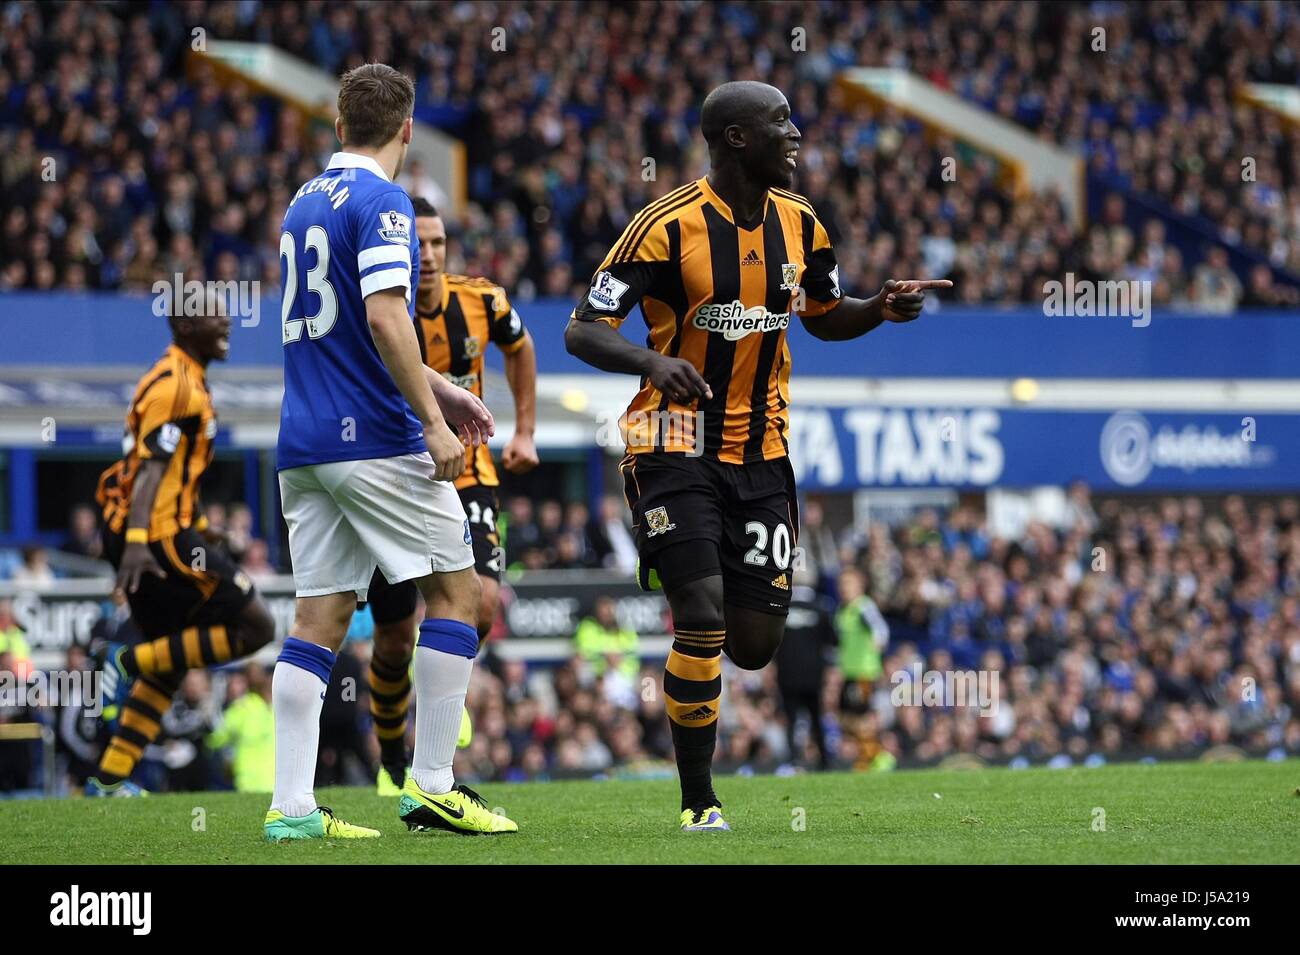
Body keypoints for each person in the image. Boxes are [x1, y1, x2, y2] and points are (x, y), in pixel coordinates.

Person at [565, 80, 948, 831]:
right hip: (673, 441)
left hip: (763, 451)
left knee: (753, 645)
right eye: (781, 121)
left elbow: (826, 316)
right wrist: (652, 365)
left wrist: (881, 309)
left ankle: (676, 558)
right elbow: (583, 329)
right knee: (701, 614)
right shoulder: (664, 227)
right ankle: (699, 801)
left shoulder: (803, 224)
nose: (797, 132)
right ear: (737, 138)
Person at [269, 62, 515, 841]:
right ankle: (434, 785)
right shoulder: (387, 202)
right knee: (460, 594)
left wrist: (438, 385)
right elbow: (382, 317)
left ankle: (293, 809)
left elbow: (349, 333)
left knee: (319, 617)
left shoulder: (303, 202)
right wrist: (433, 424)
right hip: (373, 438)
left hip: (304, 443)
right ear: (407, 131)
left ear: (340, 127)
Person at [364, 195, 539, 794]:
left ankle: (445, 688)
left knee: (482, 602)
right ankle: (391, 756)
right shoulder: (381, 307)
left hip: (470, 476)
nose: (432, 255)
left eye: (439, 243)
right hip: (395, 479)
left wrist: (526, 430)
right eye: (421, 243)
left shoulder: (485, 299)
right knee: (391, 637)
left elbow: (522, 347)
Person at [88, 298, 276, 796]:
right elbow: (150, 470)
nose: (228, 320)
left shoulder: (187, 377)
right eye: (217, 314)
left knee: (170, 662)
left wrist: (201, 525)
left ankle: (108, 782)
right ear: (187, 324)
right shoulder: (176, 384)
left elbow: (171, 473)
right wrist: (134, 543)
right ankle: (127, 660)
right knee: (257, 624)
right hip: (156, 538)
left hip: (166, 529)